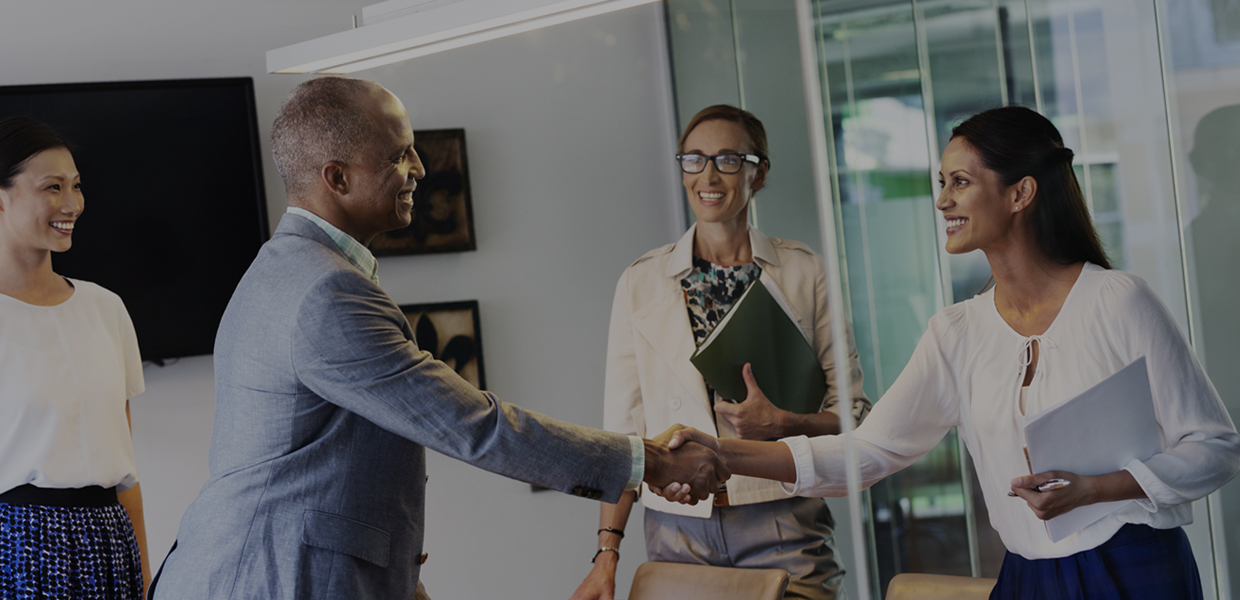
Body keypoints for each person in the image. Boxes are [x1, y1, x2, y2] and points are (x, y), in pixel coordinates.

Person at [147, 77, 726, 600]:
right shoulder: (326, 294)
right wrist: (647, 461)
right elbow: (474, 425)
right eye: (400, 154)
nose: (420, 168)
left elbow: (321, 463)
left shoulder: (282, 271)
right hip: (271, 581)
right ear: (338, 177)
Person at [660, 106, 1240, 599]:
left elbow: (1215, 447)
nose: (942, 201)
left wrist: (1101, 487)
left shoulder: (1118, 301)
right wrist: (724, 454)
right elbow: (869, 452)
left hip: (1135, 568)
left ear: (1020, 193)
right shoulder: (955, 332)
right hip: (1025, 577)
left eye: (959, 182)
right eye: (941, 182)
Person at [570, 105, 870, 600]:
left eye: (728, 159)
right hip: (677, 529)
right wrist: (607, 555)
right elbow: (623, 435)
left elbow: (853, 415)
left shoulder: (805, 273)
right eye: (694, 159)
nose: (708, 175)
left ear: (759, 172)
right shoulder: (640, 282)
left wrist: (786, 424)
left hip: (782, 518)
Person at [0, 116, 151, 598]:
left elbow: (125, 468)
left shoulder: (105, 307)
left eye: (76, 186)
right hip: (16, 548)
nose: (72, 204)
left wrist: (145, 578)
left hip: (110, 539)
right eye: (52, 187)